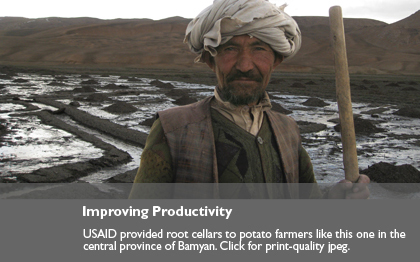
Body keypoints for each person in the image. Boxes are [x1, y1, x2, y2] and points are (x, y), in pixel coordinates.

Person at [130, 0, 369, 199]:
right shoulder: (172, 129)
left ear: (276, 61)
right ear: (210, 60)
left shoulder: (288, 131)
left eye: (259, 49)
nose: (245, 65)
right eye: (230, 49)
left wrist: (334, 202)